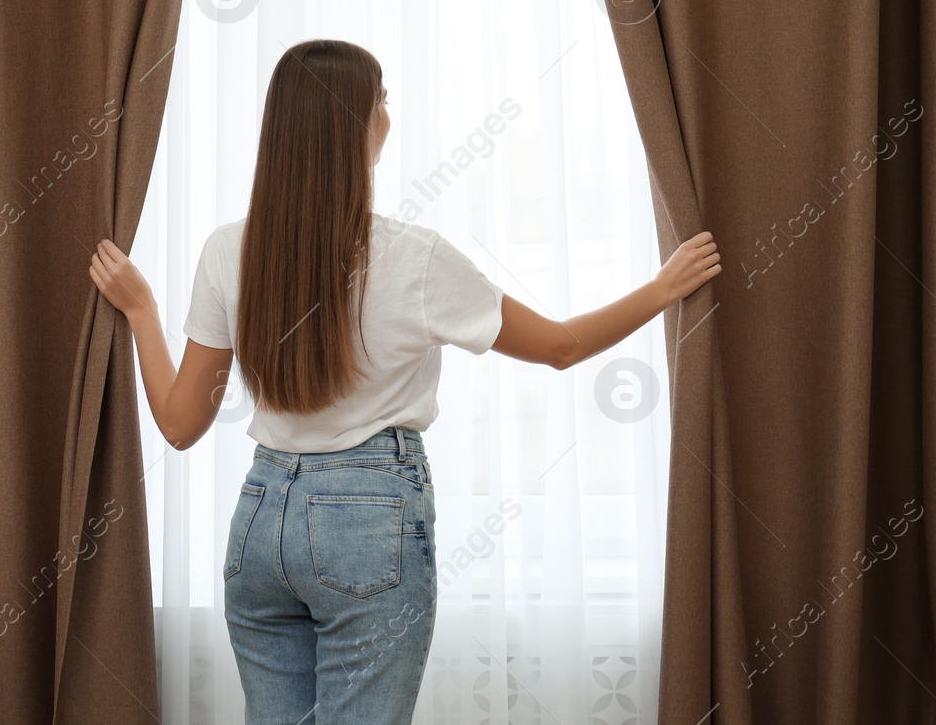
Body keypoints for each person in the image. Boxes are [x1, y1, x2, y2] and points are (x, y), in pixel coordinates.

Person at [88, 38, 720, 724]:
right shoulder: (414, 261)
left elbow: (180, 424)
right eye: (380, 99)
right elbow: (561, 346)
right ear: (360, 126)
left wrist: (142, 311)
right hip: (368, 522)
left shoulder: (227, 252)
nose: (389, 112)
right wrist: (662, 289)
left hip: (260, 523)